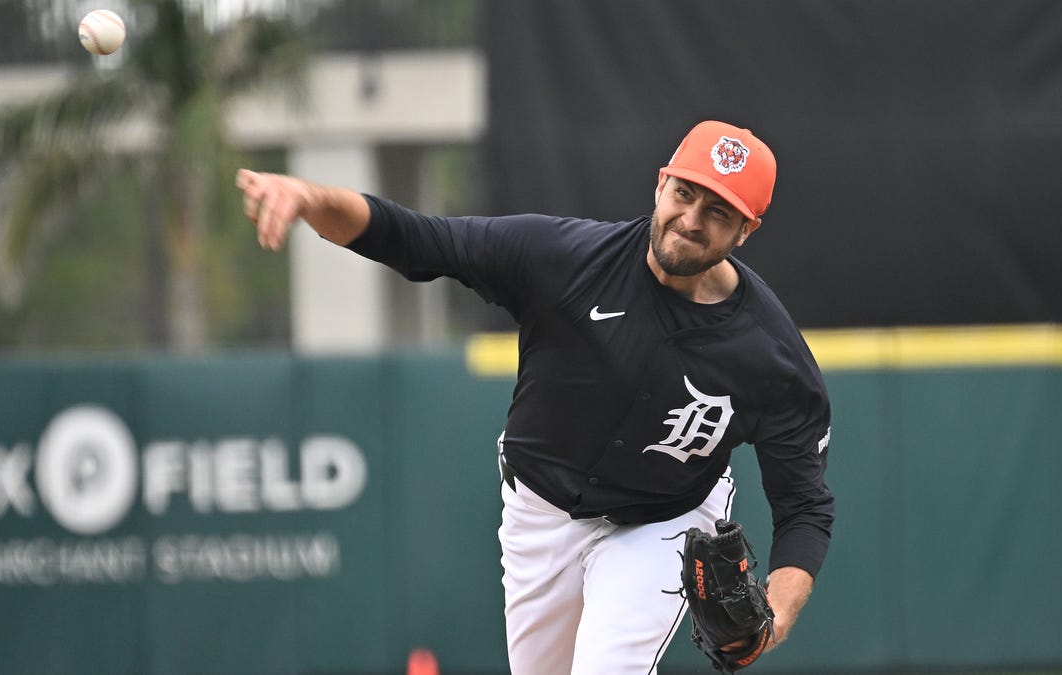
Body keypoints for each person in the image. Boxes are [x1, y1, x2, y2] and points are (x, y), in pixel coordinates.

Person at [236, 120, 834, 675]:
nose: (692, 218)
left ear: (746, 229)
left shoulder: (771, 356)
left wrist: (774, 616)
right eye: (685, 193)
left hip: (663, 519)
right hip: (540, 512)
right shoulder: (565, 258)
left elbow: (804, 506)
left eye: (719, 210)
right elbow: (416, 239)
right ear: (660, 185)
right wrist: (312, 200)